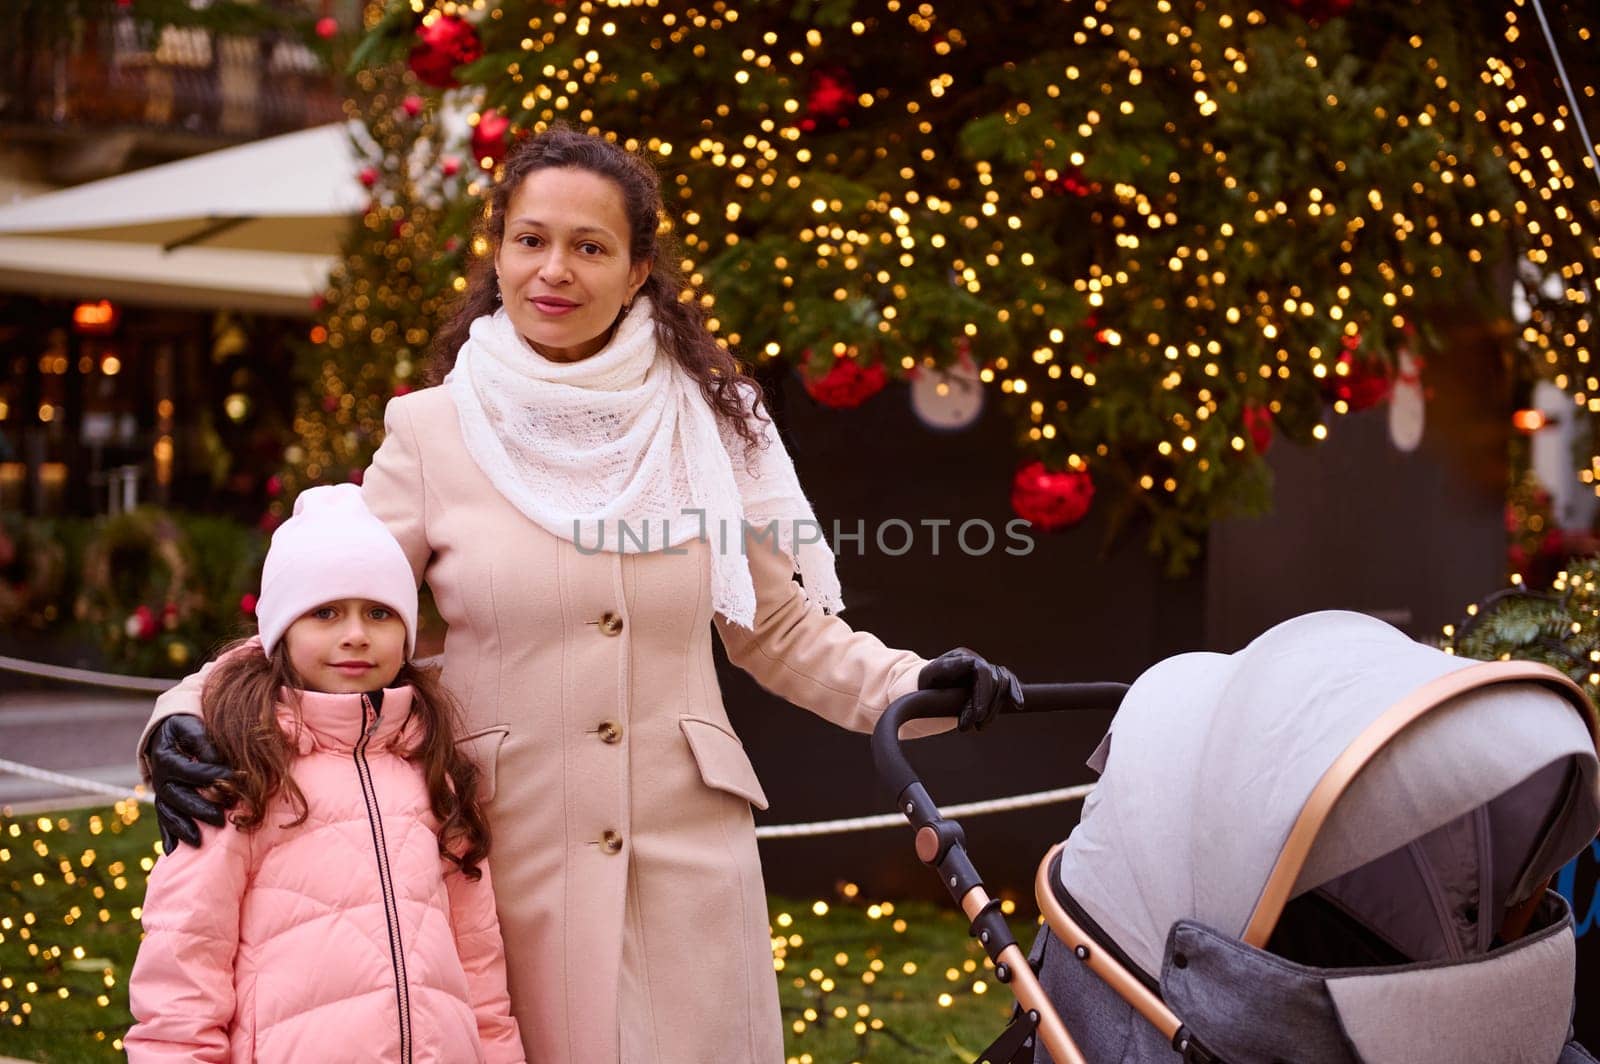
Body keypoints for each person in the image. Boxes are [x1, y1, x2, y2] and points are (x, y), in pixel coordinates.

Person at [138, 126, 1024, 1062]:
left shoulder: (713, 421)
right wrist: (182, 714)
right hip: (504, 857)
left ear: (640, 269)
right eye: (530, 240)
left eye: (590, 247)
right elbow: (325, 616)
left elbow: (783, 631)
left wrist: (922, 685)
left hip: (690, 864)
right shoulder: (432, 432)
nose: (552, 270)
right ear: (499, 251)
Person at [126, 485, 523, 1063]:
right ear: (280, 632)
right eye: (326, 612)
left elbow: (480, 965)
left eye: (380, 612)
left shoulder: (435, 766)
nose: (357, 633)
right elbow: (184, 963)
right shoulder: (238, 770)